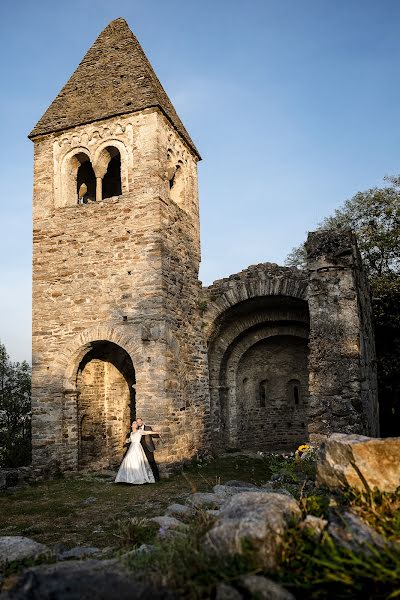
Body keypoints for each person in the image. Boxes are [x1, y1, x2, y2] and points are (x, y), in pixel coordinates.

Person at [114, 420, 161, 485]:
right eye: (134, 423)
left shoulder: (139, 431)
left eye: (136, 423)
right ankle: (127, 478)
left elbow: (147, 432)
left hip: (137, 448)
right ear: (131, 426)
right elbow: (130, 440)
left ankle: (138, 478)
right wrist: (126, 441)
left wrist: (156, 432)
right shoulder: (131, 433)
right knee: (128, 460)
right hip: (132, 447)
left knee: (137, 461)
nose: (135, 424)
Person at [136, 417, 160, 482]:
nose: (139, 423)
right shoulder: (136, 429)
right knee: (143, 464)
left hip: (148, 448)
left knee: (151, 462)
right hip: (140, 449)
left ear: (142, 421)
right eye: (137, 422)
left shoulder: (148, 428)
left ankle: (157, 478)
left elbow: (154, 434)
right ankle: (146, 478)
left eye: (140, 421)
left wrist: (154, 434)